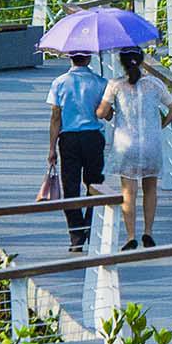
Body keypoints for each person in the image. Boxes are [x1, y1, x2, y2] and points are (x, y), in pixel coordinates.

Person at [96, 47, 172, 249]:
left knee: (128, 192)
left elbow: (101, 112)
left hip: (126, 144)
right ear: (141, 61)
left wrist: (108, 112)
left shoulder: (115, 85)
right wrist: (160, 126)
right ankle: (148, 233)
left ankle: (131, 236)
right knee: (150, 189)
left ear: (121, 63)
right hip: (151, 144)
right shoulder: (155, 83)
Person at [45, 51, 109, 252]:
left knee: (70, 187)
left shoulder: (60, 82)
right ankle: (90, 226)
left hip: (69, 138)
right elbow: (107, 114)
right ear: (89, 58)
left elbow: (56, 116)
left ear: (70, 57)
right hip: (93, 137)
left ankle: (76, 235)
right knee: (94, 184)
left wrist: (51, 148)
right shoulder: (100, 82)